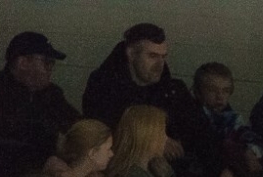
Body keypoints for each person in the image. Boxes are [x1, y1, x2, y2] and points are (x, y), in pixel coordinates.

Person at [82, 23, 204, 164]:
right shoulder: (103, 87)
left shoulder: (173, 90)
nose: (160, 64)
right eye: (152, 56)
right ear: (131, 54)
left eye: (163, 57)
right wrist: (154, 142)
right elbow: (103, 134)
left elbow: (200, 131)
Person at [0, 31, 80, 160]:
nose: (50, 68)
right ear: (23, 63)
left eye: (52, 63)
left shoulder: (52, 93)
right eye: (46, 62)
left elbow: (77, 124)